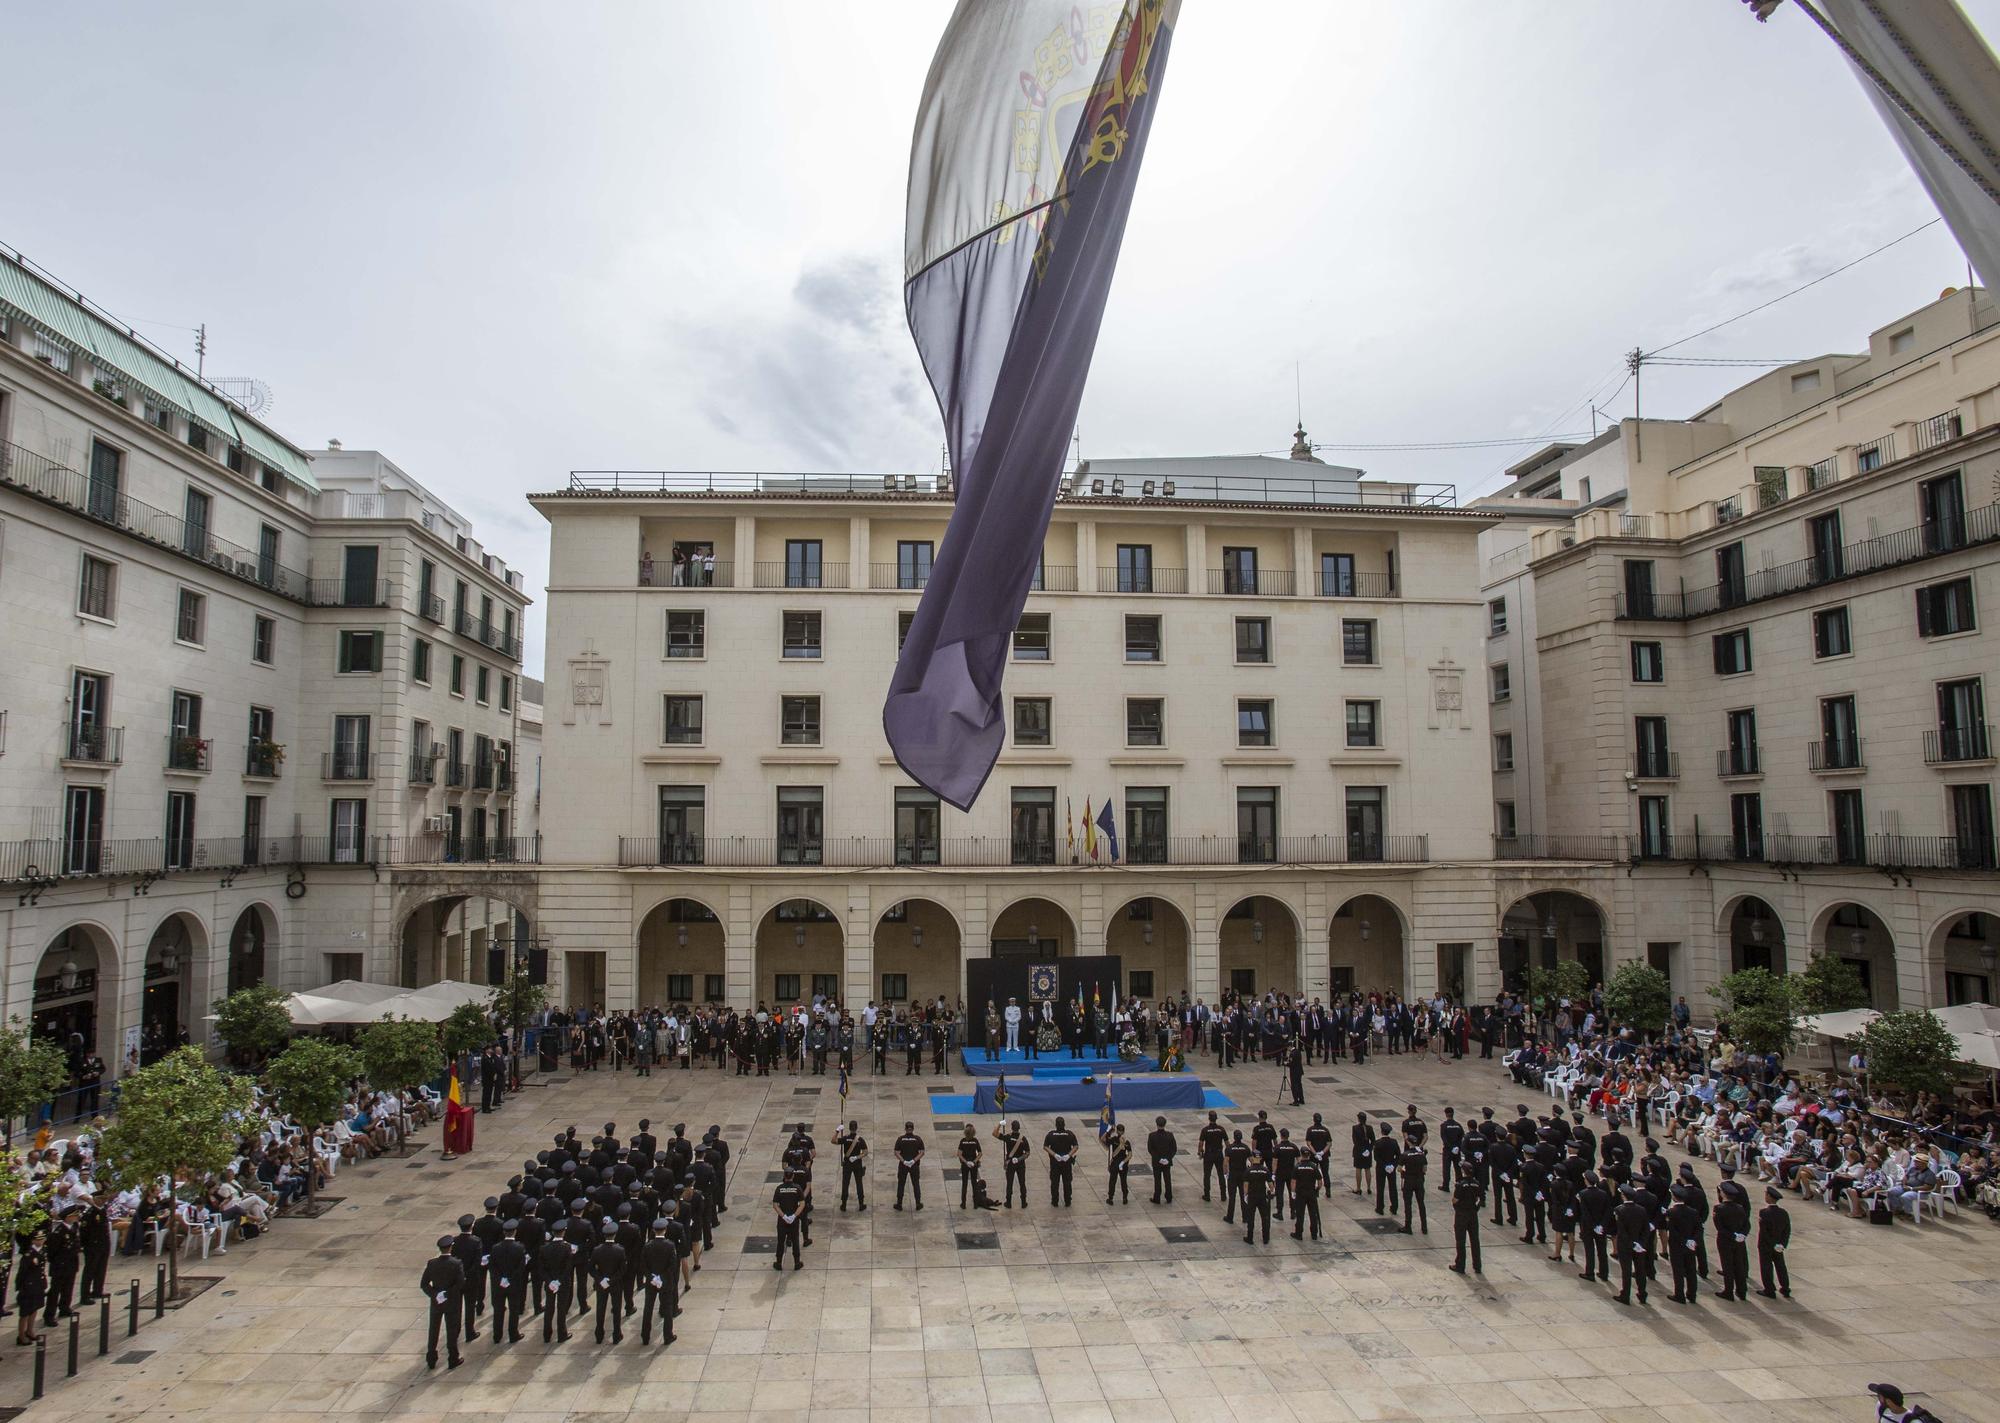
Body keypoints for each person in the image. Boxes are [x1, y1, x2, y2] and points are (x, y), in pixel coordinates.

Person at [422, 1236, 466, 1369]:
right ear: (451, 1247)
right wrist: (447, 1294)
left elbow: (424, 1284)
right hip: (452, 1302)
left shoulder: (432, 1263)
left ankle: (431, 1358)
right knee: (452, 1330)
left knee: (433, 1330)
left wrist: (436, 1295)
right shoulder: (456, 1263)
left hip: (437, 1302)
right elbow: (460, 1283)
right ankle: (453, 1358)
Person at [639, 1217, 679, 1346]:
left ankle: (645, 1336)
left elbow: (643, 1265)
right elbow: (672, 1265)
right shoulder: (670, 1245)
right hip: (666, 1281)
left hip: (651, 1281)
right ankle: (668, 1336)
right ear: (665, 1230)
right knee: (667, 1309)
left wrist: (652, 1277)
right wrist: (661, 1277)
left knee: (648, 1308)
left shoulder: (647, 1246)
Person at [489, 1219, 529, 1344]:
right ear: (515, 1232)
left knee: (498, 1310)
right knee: (514, 1310)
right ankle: (513, 1334)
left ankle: (497, 1335)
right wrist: (510, 1279)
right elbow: (521, 1267)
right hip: (514, 1284)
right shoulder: (519, 1248)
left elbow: (492, 1267)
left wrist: (501, 1279)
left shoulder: (495, 1248)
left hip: (499, 1285)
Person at [1613, 1187, 1654, 1306]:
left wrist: (1631, 1244)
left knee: (1626, 1270)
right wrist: (1640, 1243)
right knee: (1640, 1270)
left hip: (1625, 1245)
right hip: (1639, 1245)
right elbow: (1646, 1229)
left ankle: (1625, 1294)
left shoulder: (1619, 1210)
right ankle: (1642, 1293)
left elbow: (1622, 1231)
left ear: (1623, 1196)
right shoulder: (1641, 1210)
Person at [1713, 1182, 1752, 1303]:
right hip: (1738, 1241)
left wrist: (1732, 1235)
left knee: (1727, 1266)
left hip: (1725, 1241)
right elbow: (1747, 1224)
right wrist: (1742, 1235)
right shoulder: (1740, 1208)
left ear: (1723, 1194)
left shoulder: (1719, 1208)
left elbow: (1720, 1227)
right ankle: (1742, 1291)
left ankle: (1728, 1291)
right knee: (1739, 1265)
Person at [590, 1220, 628, 1341]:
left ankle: (599, 1334)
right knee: (616, 1309)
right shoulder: (620, 1250)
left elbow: (591, 1268)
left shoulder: (597, 1250)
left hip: (601, 1283)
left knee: (600, 1308)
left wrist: (600, 1279)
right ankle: (617, 1334)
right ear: (615, 1234)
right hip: (615, 1283)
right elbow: (623, 1269)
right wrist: (612, 1280)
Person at [539, 1221, 574, 1342]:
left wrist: (550, 1281)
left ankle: (546, 1334)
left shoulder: (544, 1248)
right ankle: (561, 1334)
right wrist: (559, 1281)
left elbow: (542, 1268)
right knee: (561, 1308)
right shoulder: (566, 1247)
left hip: (550, 1282)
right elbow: (568, 1267)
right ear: (563, 1231)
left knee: (549, 1308)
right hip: (562, 1283)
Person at [1756, 1186, 1791, 1299]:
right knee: (1780, 1266)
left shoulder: (1764, 1213)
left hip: (1766, 1245)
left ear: (1769, 1197)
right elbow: (1787, 1230)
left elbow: (1764, 1232)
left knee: (1766, 1267)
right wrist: (1782, 1244)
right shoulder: (1783, 1213)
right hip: (1779, 1246)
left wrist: (1773, 1244)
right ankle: (1785, 1288)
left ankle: (1769, 1289)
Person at [773, 1170, 806, 1272]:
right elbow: (802, 1204)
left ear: (784, 1176)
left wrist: (783, 1216)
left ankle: (778, 1263)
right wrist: (794, 1216)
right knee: (795, 1240)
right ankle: (797, 1263)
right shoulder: (797, 1188)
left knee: (780, 1242)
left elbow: (775, 1205)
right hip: (793, 1220)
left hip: (782, 1221)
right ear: (793, 1176)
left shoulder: (779, 1189)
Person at [1449, 1176, 1483, 1275]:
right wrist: (1476, 1208)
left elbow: (1455, 1200)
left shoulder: (1460, 1185)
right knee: (1475, 1240)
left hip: (1462, 1215)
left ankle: (1460, 1265)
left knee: (1460, 1241)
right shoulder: (1476, 1183)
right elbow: (1479, 1198)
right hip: (1472, 1214)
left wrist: (1457, 1208)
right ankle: (1477, 1266)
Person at [1400, 1126, 1429, 1235]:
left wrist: (1405, 1170)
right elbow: (1425, 1168)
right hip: (1419, 1180)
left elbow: (1399, 1168)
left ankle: (1408, 1226)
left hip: (1408, 1180)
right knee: (1421, 1203)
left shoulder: (1405, 1155)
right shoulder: (1421, 1154)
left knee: (1408, 1204)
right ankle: (1424, 1227)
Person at [1044, 1117, 1079, 1206]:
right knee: (1067, 1182)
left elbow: (1045, 1147)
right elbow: (1075, 1146)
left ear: (1056, 1125)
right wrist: (1069, 1155)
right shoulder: (1070, 1134)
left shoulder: (1051, 1134)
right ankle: (1068, 1201)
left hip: (1055, 1162)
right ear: (1064, 1124)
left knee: (1055, 1182)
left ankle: (1054, 1201)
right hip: (1066, 1162)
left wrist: (1054, 1154)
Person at [1241, 1150, 1273, 1244]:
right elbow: (1271, 1186)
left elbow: (1246, 1186)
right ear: (1261, 1158)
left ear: (1252, 1158)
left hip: (1252, 1196)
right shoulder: (1265, 1170)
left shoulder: (1248, 1171)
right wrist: (1271, 1192)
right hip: (1262, 1196)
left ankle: (1250, 1238)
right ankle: (1265, 1238)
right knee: (1265, 1217)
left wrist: (1245, 1195)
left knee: (1251, 1218)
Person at [1290, 1151, 1323, 1240]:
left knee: (1300, 1214)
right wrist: (1317, 1189)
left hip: (1301, 1194)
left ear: (1301, 1155)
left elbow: (1293, 1182)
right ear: (1309, 1155)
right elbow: (1320, 1181)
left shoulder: (1297, 1167)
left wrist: (1293, 1192)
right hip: (1311, 1193)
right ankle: (1314, 1234)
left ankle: (1299, 1233)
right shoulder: (1313, 1166)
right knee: (1313, 1214)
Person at [892, 1121, 925, 1210]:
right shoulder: (918, 1139)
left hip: (903, 1165)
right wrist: (913, 1161)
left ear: (905, 1129)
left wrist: (904, 1161)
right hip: (914, 1165)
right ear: (913, 1129)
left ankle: (899, 1204)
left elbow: (896, 1152)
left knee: (901, 1184)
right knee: (916, 1184)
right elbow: (922, 1152)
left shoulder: (900, 1139)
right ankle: (918, 1203)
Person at [835, 1120, 867, 1211]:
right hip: (857, 1164)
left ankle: (844, 1204)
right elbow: (865, 1152)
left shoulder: (845, 1138)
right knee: (859, 1183)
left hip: (847, 1164)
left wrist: (837, 1131)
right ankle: (861, 1204)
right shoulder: (860, 1140)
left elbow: (833, 1141)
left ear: (849, 1128)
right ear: (856, 1128)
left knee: (845, 1184)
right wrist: (857, 1157)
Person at [1198, 1112, 1227, 1202]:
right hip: (1219, 1154)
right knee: (1221, 1175)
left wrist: (1200, 1152)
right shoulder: (1221, 1129)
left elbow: (1201, 1143)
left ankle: (1207, 1195)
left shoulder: (1205, 1130)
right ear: (1216, 1118)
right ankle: (1223, 1195)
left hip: (1209, 1155)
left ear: (1209, 1119)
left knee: (1207, 1175)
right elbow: (1227, 1143)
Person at [1103, 1124, 1133, 1204]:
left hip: (1115, 1163)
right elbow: (1130, 1155)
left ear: (1117, 1131)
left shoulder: (1113, 1139)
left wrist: (1107, 1131)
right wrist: (1123, 1162)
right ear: (1123, 1131)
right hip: (1123, 1164)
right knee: (1123, 1181)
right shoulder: (1127, 1142)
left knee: (1112, 1181)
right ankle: (1125, 1197)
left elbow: (1103, 1139)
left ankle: (1110, 1198)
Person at [958, 1126, 984, 1208]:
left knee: (964, 1184)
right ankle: (975, 1204)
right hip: (973, 1165)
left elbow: (959, 1154)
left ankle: (963, 1203)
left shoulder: (962, 1141)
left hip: (965, 1165)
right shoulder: (975, 1141)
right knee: (974, 1184)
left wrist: (966, 1162)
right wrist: (974, 1161)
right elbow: (980, 1153)